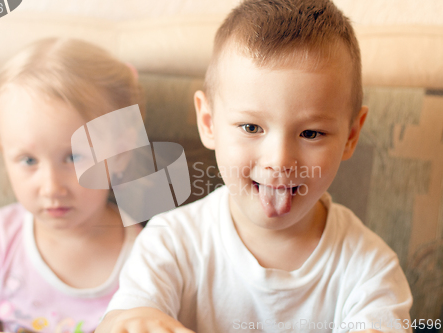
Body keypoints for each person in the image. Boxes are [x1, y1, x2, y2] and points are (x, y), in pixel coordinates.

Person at [96, 0, 413, 332]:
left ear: (351, 135)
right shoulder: (170, 243)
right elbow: (123, 320)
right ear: (208, 122)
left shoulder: (371, 270)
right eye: (251, 128)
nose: (278, 161)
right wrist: (134, 321)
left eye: (310, 133)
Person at [0, 38, 143, 333]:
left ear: (120, 153)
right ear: (3, 154)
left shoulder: (146, 254)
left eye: (73, 157)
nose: (51, 188)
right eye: (28, 160)